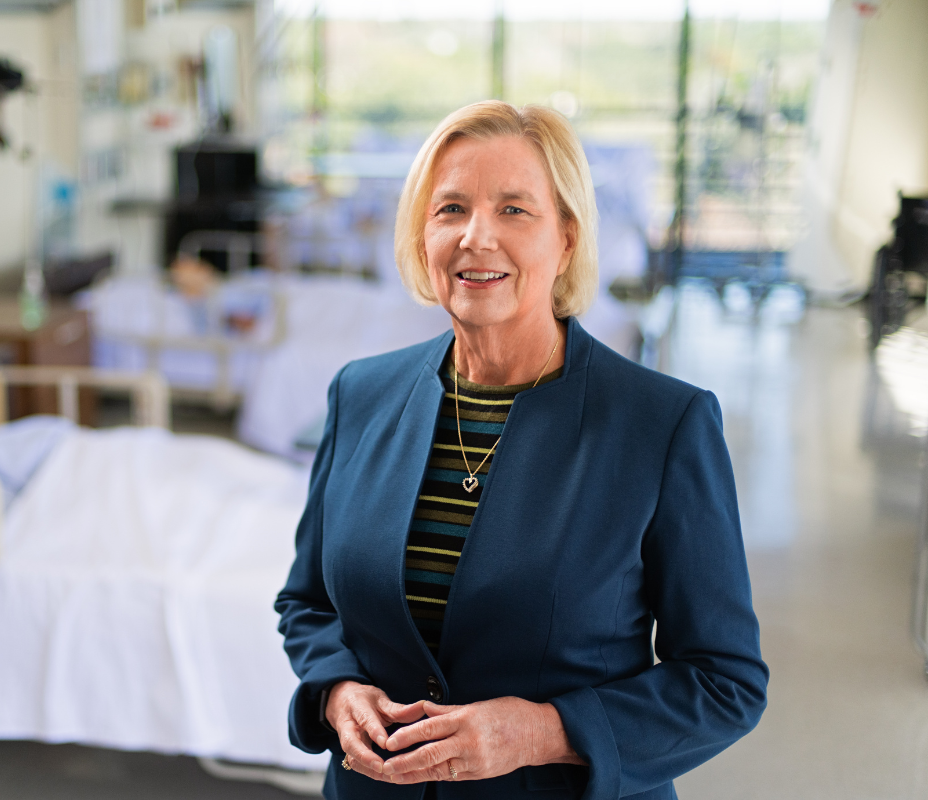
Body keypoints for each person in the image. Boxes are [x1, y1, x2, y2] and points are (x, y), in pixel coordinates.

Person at [274, 101, 767, 800]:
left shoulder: (663, 425)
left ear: (566, 237)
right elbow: (307, 602)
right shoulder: (361, 395)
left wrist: (542, 730)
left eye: (514, 210)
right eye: (451, 209)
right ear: (422, 236)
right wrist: (335, 691)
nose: (478, 238)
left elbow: (725, 682)